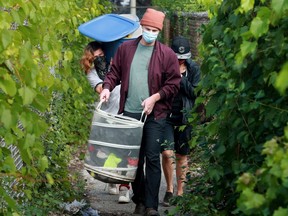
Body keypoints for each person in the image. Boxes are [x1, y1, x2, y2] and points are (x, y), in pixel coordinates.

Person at [100, 8, 181, 216]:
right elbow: (114, 73)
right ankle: (140, 199)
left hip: (155, 115)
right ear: (141, 28)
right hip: (129, 113)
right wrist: (107, 88)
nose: (151, 33)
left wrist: (155, 98)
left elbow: (173, 83)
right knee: (133, 160)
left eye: (155, 30)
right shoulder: (125, 50)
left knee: (153, 158)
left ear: (159, 31)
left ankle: (151, 206)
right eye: (147, 28)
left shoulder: (167, 55)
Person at [80, 41, 131, 204]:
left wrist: (115, 66)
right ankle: (112, 179)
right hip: (108, 117)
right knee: (110, 152)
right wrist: (106, 73)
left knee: (124, 151)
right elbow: (102, 89)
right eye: (96, 57)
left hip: (125, 112)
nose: (100, 59)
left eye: (102, 55)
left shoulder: (117, 63)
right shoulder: (92, 73)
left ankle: (124, 187)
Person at [161, 36, 201, 207]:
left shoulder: (193, 69)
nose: (180, 60)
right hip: (166, 117)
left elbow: (195, 93)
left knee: (181, 156)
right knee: (167, 153)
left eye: (183, 57)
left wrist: (181, 78)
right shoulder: (163, 67)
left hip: (185, 118)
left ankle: (181, 192)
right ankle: (169, 189)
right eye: (177, 57)